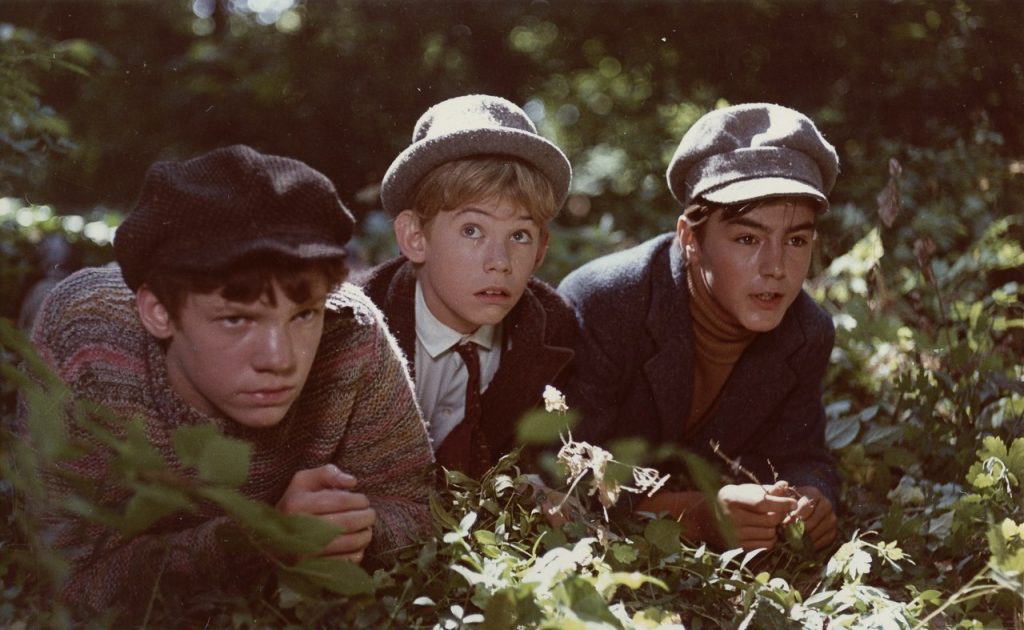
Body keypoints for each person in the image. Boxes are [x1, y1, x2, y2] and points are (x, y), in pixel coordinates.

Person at [22, 145, 434, 613]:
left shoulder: (350, 330)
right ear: (159, 311)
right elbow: (66, 581)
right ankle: (41, 275)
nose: (280, 359)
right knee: (40, 300)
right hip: (72, 315)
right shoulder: (86, 345)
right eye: (237, 320)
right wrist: (254, 543)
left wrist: (355, 531)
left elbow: (414, 507)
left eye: (303, 315)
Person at [559, 103, 841, 553]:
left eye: (796, 240)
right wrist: (694, 516)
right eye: (748, 239)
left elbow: (802, 453)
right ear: (690, 240)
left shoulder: (807, 331)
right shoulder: (606, 302)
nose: (776, 268)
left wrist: (813, 498)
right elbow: (565, 471)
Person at [360, 94, 576, 478]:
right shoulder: (358, 325)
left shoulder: (553, 328)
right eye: (471, 230)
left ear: (542, 250)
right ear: (414, 236)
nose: (499, 261)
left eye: (520, 235)